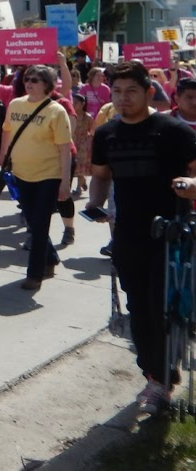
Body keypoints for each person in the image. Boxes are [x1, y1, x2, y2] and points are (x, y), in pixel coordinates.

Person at [90, 62, 196, 413]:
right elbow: (102, 176)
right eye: (117, 92)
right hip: (128, 237)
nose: (122, 99)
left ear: (150, 92)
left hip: (170, 238)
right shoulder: (106, 134)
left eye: (130, 91)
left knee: (160, 310)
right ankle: (157, 374)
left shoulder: (175, 132)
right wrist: (95, 203)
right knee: (138, 309)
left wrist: (190, 186)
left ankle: (160, 382)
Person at [0, 64, 72, 291]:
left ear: (48, 85)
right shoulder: (15, 104)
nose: (29, 83)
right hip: (22, 173)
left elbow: (64, 149)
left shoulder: (56, 111)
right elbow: (7, 131)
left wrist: (65, 180)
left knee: (39, 226)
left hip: (48, 175)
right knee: (32, 221)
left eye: (36, 80)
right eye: (27, 79)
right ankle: (50, 259)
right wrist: (3, 157)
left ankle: (35, 274)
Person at [71, 91, 94, 195]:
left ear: (82, 104)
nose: (73, 104)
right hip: (73, 141)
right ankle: (82, 181)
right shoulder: (71, 116)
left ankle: (78, 188)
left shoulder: (87, 117)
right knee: (74, 165)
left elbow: (92, 129)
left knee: (80, 164)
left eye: (76, 102)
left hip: (84, 144)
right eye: (72, 102)